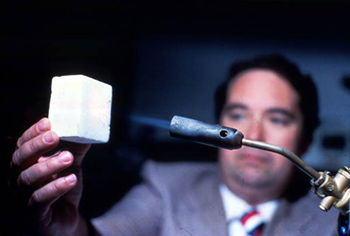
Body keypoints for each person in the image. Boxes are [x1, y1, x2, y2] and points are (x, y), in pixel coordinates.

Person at [10, 54, 339, 235]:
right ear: (216, 127)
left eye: (278, 118)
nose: (255, 132)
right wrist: (68, 231)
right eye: (238, 113)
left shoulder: (336, 219)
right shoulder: (166, 183)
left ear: (306, 138)